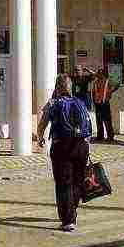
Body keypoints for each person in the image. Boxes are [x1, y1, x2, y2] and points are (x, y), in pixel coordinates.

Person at [35, 74, 92, 232]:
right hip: (81, 145)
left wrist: (40, 138)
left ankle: (68, 220)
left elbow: (42, 124)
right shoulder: (80, 102)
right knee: (77, 181)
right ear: (70, 87)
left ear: (57, 87)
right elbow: (88, 126)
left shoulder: (53, 103)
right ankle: (72, 211)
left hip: (62, 146)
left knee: (63, 182)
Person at [92, 68, 119, 143]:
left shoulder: (108, 81)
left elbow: (117, 84)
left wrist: (110, 92)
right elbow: (93, 92)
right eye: (98, 73)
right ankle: (100, 136)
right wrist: (94, 100)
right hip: (97, 103)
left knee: (107, 120)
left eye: (100, 73)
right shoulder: (96, 82)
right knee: (99, 120)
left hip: (105, 103)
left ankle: (110, 136)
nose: (99, 75)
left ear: (103, 74)